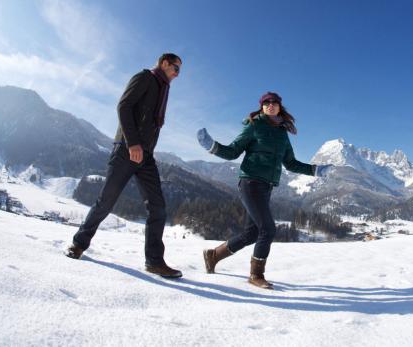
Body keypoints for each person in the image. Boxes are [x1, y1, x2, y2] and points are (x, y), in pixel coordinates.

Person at [196, 91, 332, 289]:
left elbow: (291, 163)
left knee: (252, 233)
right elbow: (233, 151)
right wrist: (212, 147)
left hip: (266, 187)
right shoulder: (254, 126)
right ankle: (256, 275)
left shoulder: (282, 134)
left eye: (274, 102)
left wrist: (315, 170)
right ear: (261, 106)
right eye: (266, 102)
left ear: (279, 106)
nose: (270, 105)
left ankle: (213, 255)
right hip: (250, 182)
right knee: (268, 229)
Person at [65, 53, 183, 278]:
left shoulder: (162, 89)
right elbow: (124, 106)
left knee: (158, 207)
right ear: (165, 63)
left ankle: (155, 261)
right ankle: (78, 244)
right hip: (126, 150)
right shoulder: (145, 78)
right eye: (176, 68)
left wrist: (144, 149)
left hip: (146, 156)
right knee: (106, 201)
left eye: (179, 71)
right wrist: (134, 143)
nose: (177, 74)